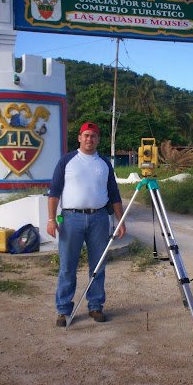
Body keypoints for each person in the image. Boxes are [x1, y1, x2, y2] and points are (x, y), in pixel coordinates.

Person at [47, 122, 126, 327]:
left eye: (93, 136)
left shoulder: (104, 163)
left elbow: (114, 193)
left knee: (98, 266)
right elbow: (54, 192)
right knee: (67, 266)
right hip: (71, 219)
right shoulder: (67, 160)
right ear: (80, 138)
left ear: (98, 140)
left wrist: (121, 220)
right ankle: (63, 310)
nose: (89, 139)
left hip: (100, 219)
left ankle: (95, 306)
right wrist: (51, 219)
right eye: (86, 135)